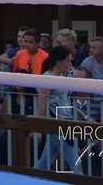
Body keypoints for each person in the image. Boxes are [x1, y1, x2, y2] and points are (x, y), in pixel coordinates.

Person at [33, 46, 81, 174]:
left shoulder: (62, 77)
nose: (70, 64)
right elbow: (41, 103)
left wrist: (85, 116)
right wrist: (39, 129)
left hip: (64, 123)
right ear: (58, 62)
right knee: (76, 162)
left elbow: (67, 101)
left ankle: (31, 179)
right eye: (67, 61)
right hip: (55, 124)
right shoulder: (48, 78)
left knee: (43, 163)